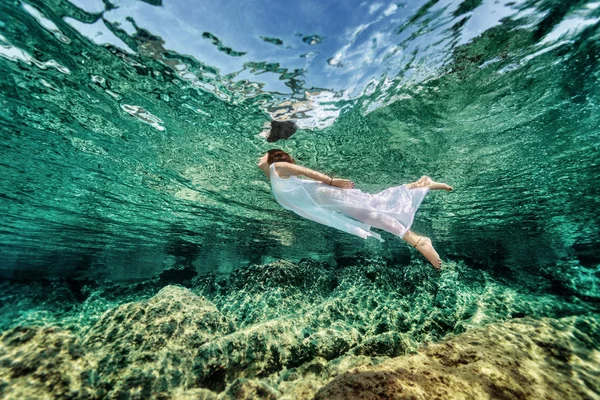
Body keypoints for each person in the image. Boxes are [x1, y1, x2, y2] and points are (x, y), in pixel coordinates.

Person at [257, 149, 452, 269]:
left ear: (272, 157)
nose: (260, 157)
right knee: (374, 204)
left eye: (263, 155)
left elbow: (303, 171)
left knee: (372, 212)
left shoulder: (277, 167)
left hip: (328, 195)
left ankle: (418, 240)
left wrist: (332, 181)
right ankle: (421, 184)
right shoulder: (276, 180)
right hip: (328, 201)